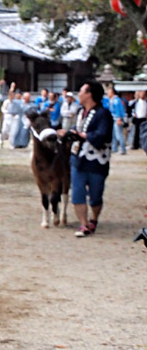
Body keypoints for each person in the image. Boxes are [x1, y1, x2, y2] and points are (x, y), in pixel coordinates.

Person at [71, 79, 112, 237]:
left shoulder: (103, 114)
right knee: (77, 192)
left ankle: (93, 219)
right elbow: (77, 129)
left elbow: (102, 135)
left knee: (96, 194)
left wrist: (83, 135)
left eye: (81, 91)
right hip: (78, 159)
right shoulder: (81, 112)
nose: (79, 94)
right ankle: (83, 224)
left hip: (96, 160)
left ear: (89, 94)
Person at [103, 82, 128, 155]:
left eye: (109, 92)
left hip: (117, 119)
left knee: (119, 134)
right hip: (112, 118)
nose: (108, 93)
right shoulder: (110, 100)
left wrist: (119, 119)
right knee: (113, 134)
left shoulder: (116, 100)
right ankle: (114, 148)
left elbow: (118, 110)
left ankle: (123, 149)